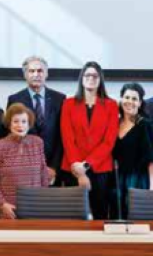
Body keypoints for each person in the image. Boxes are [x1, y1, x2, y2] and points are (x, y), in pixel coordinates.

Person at [60, 61, 119, 220]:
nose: (91, 79)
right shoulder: (68, 104)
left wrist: (86, 165)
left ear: (100, 79)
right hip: (72, 168)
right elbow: (67, 138)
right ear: (81, 78)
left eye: (95, 76)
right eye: (87, 75)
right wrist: (79, 169)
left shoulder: (111, 105)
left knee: (100, 215)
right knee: (74, 216)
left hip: (100, 169)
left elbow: (109, 141)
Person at [0, 103, 52, 219]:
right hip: (9, 209)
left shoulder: (37, 143)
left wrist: (43, 200)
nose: (20, 125)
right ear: (9, 123)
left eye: (24, 121)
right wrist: (2, 204)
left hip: (36, 206)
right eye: (15, 121)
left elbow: (43, 174)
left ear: (29, 124)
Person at [7, 56, 66, 183]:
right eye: (31, 71)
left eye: (40, 71)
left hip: (53, 169)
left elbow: (62, 136)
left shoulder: (60, 99)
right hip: (24, 168)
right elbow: (12, 137)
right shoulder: (14, 99)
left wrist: (54, 167)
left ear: (46, 74)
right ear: (25, 75)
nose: (36, 74)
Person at [112, 83, 153, 219]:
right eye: (127, 97)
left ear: (140, 103)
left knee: (136, 219)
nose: (130, 102)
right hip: (116, 180)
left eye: (134, 99)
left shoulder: (145, 125)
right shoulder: (114, 123)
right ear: (121, 99)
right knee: (116, 219)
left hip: (137, 180)